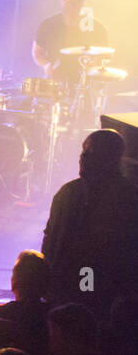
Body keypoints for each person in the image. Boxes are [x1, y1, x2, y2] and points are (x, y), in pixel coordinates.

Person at [41, 128, 138, 315]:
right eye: (83, 151)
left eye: (90, 152)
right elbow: (51, 237)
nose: (83, 157)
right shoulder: (68, 192)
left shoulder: (127, 199)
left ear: (110, 157)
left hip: (103, 295)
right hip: (63, 288)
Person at [32, 0, 111, 81]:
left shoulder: (97, 29)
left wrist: (94, 67)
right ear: (61, 0)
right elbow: (37, 52)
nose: (70, 7)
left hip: (85, 84)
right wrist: (46, 65)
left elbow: (104, 54)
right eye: (66, 2)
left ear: (83, 3)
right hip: (55, 83)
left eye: (75, 3)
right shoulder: (48, 25)